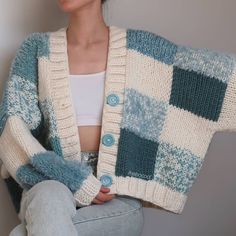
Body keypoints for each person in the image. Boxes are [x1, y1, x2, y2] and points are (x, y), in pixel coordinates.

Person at [7, 0, 144, 235]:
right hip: (49, 184)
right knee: (49, 195)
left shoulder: (141, 50)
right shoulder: (36, 49)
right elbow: (12, 129)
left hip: (116, 198)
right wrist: (75, 180)